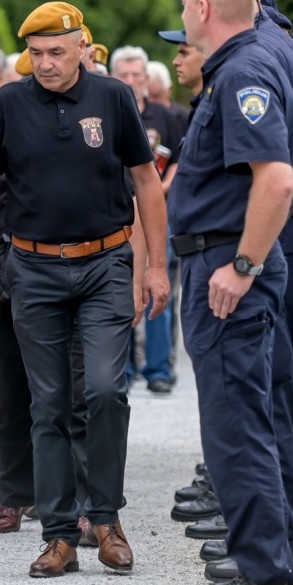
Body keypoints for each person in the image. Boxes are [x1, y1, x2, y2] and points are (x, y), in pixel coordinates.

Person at [0, 1, 170, 578]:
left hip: (105, 262)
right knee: (48, 403)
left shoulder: (111, 99)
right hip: (32, 269)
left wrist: (155, 267)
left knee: (105, 390)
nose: (46, 64)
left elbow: (145, 183)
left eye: (57, 52)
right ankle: (59, 535)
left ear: (84, 45)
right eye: (36, 54)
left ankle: (105, 518)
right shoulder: (8, 101)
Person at [196, 0, 293, 585]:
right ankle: (269, 539)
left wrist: (244, 261)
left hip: (266, 239)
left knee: (259, 401)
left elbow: (282, 177)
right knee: (262, 396)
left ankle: (271, 547)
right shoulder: (278, 50)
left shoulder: (254, 60)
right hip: (280, 235)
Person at [169, 0, 293, 585]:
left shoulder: (244, 69)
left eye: (182, 3)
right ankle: (266, 569)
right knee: (240, 427)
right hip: (221, 259)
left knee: (236, 435)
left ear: (201, 7)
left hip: (227, 266)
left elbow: (277, 178)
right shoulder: (238, 66)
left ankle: (266, 576)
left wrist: (242, 265)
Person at [111, 45, 183, 394]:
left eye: (136, 74)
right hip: (117, 216)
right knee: (117, 289)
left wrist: (162, 186)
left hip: (156, 211)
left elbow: (182, 157)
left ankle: (158, 368)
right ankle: (122, 369)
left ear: (146, 77)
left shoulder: (164, 116)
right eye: (123, 74)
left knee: (156, 283)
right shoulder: (107, 113)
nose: (130, 80)